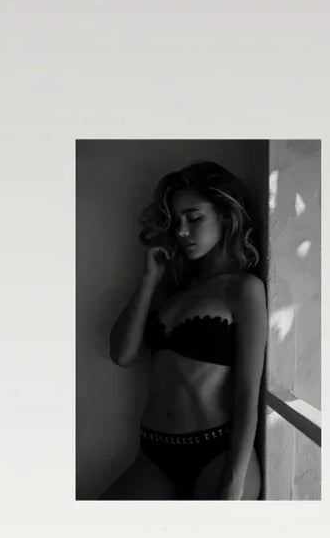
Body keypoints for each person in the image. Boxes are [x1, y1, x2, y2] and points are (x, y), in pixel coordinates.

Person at [102, 160, 267, 500]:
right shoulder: (174, 291)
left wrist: (234, 480)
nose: (181, 231)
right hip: (154, 453)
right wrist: (149, 280)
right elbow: (122, 354)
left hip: (215, 453)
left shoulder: (243, 289)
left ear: (225, 215)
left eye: (194, 218)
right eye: (176, 221)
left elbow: (248, 393)